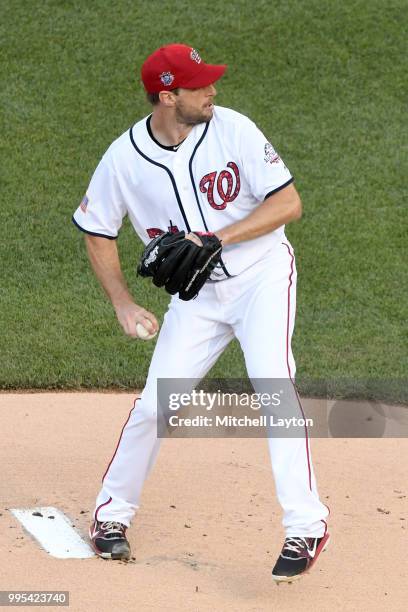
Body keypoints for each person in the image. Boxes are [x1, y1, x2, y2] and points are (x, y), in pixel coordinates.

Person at [72, 43, 330, 582]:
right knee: (154, 406)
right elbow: (97, 231)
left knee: (273, 386)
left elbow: (288, 204)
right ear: (168, 96)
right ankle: (110, 518)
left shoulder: (233, 127)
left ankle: (306, 525)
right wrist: (122, 304)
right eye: (199, 85)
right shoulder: (123, 159)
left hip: (262, 275)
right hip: (198, 298)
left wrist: (217, 237)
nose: (212, 90)